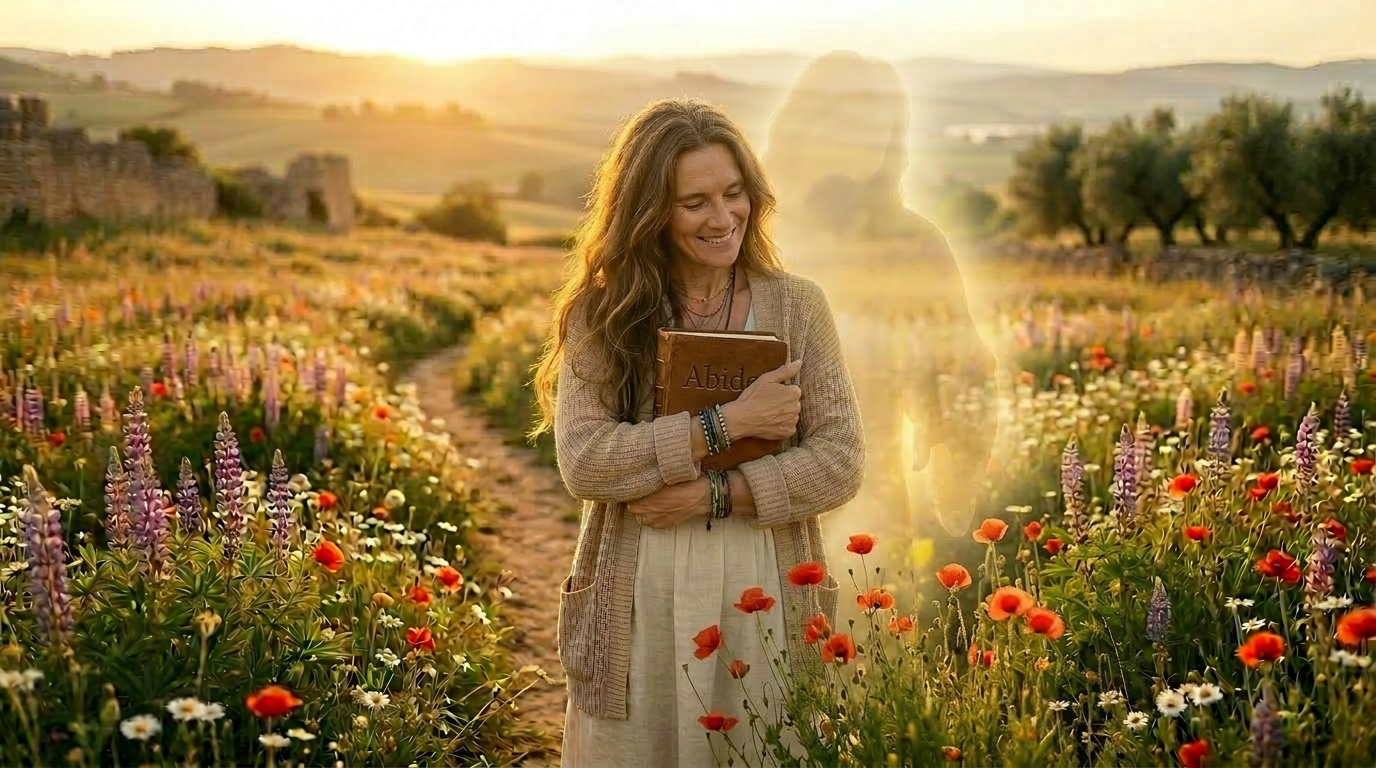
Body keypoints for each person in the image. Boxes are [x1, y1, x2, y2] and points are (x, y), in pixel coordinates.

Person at [529, 97, 865, 767]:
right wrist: (727, 424)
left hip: (763, 578)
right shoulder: (607, 312)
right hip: (639, 587)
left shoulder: (798, 305)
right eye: (696, 202)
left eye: (734, 193)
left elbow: (840, 460)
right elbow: (586, 462)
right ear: (651, 212)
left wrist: (715, 495)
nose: (724, 217)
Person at [763, 51, 999, 552]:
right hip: (743, 486)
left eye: (882, 126)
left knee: (865, 618)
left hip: (867, 483)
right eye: (851, 121)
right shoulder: (744, 226)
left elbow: (965, 359)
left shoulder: (914, 242)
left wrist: (946, 412)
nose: (868, 141)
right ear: (806, 124)